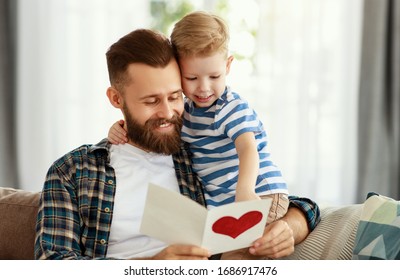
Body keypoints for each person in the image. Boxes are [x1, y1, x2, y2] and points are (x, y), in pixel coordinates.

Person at [34, 28, 320, 260]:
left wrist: (287, 229)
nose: (168, 112)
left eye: (174, 96)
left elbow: (298, 204)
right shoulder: (73, 171)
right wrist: (152, 267)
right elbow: (53, 263)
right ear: (116, 99)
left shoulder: (196, 149)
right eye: (151, 101)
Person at [108, 11, 289, 260]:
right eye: (191, 78)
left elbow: (249, 148)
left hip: (256, 192)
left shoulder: (230, 107)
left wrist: (245, 191)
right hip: (226, 206)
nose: (203, 88)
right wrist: (118, 128)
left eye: (214, 77)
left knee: (238, 257)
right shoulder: (189, 113)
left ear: (227, 67)